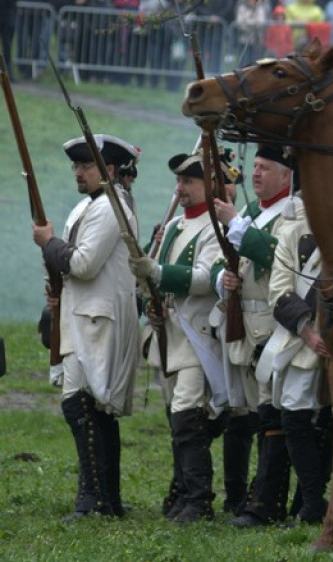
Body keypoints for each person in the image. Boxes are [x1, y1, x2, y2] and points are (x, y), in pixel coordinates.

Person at [32, 134, 142, 519]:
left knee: (82, 405)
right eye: (76, 166)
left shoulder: (111, 207)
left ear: (109, 170)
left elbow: (82, 264)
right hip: (85, 315)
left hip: (97, 320)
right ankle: (105, 499)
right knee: (92, 407)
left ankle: (94, 500)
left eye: (86, 166)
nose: (78, 172)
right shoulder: (93, 206)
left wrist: (49, 244)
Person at [129, 151, 233, 523]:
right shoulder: (173, 224)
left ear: (210, 185)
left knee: (188, 414)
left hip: (197, 335)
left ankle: (199, 499)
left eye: (189, 181)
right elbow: (151, 279)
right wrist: (150, 297)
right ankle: (183, 491)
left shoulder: (216, 228)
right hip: (169, 334)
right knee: (177, 415)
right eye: (180, 181)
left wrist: (156, 272)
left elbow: (206, 279)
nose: (181, 188)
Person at [211, 145, 297, 528]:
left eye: (266, 168)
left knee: (274, 416)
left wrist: (236, 224)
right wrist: (224, 280)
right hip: (249, 329)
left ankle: (268, 502)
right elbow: (230, 262)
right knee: (262, 416)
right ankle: (264, 498)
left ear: (286, 175)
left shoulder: (295, 212)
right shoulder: (249, 213)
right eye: (256, 167)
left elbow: (279, 257)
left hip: (276, 328)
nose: (257, 174)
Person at [265, 190, 333, 525]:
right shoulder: (294, 230)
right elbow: (278, 291)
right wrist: (308, 333)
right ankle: (312, 502)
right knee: (294, 419)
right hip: (304, 343)